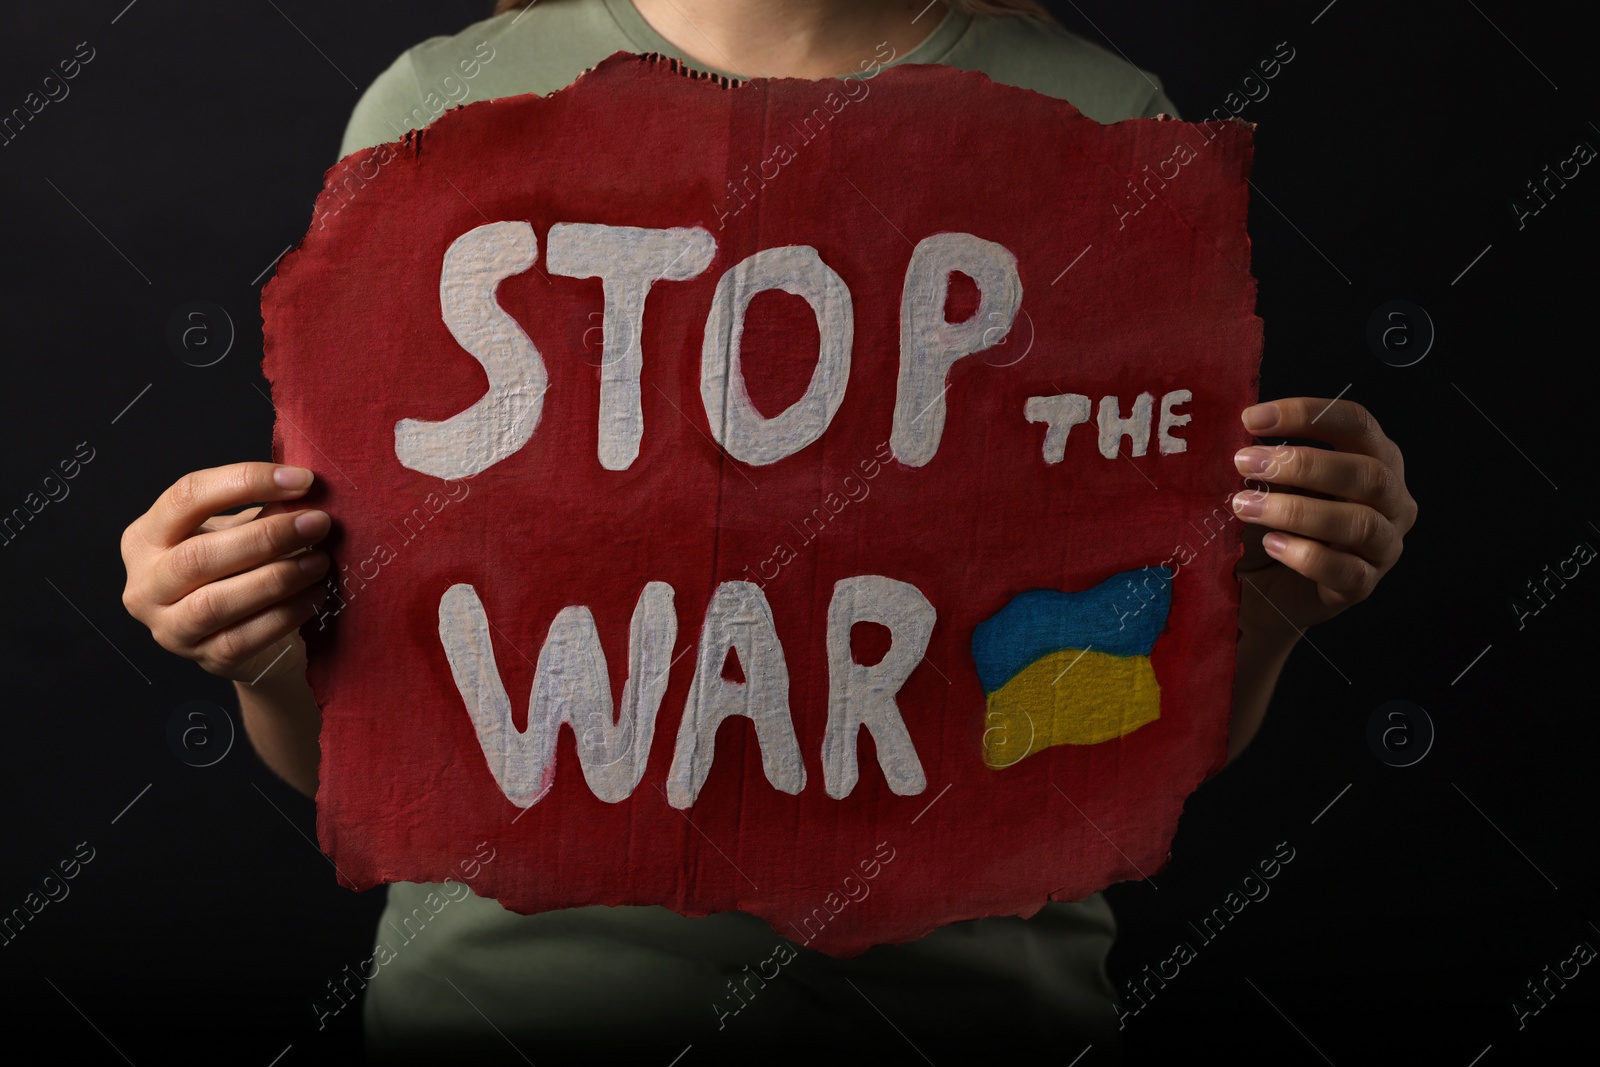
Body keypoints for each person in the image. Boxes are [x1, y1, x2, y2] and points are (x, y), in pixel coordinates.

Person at [119, 1, 1418, 1061]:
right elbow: (375, 747)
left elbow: (1109, 736)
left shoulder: (1100, 121)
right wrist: (247, 639)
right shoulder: (434, 111)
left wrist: (1278, 604)